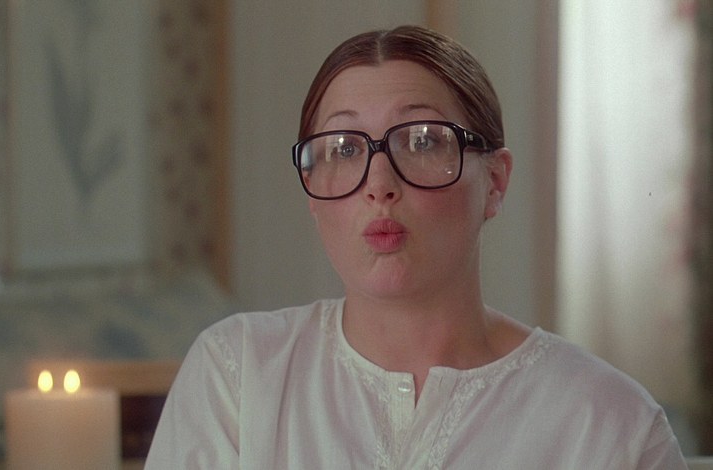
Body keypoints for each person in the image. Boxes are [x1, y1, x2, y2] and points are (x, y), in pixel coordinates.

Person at [144, 25, 687, 469]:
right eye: (343, 149)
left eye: (422, 141)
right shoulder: (237, 376)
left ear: (495, 182)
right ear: (312, 191)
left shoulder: (609, 425)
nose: (379, 183)